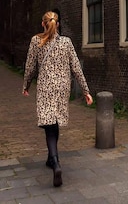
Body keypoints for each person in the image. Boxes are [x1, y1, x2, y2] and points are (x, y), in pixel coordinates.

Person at [22, 11, 93, 187]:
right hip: (62, 88)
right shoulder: (66, 42)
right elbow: (76, 68)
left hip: (46, 87)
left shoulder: (35, 41)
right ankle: (51, 158)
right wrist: (86, 91)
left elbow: (30, 67)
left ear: (43, 24)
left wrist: (26, 85)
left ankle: (55, 162)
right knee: (54, 122)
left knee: (49, 125)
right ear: (58, 25)